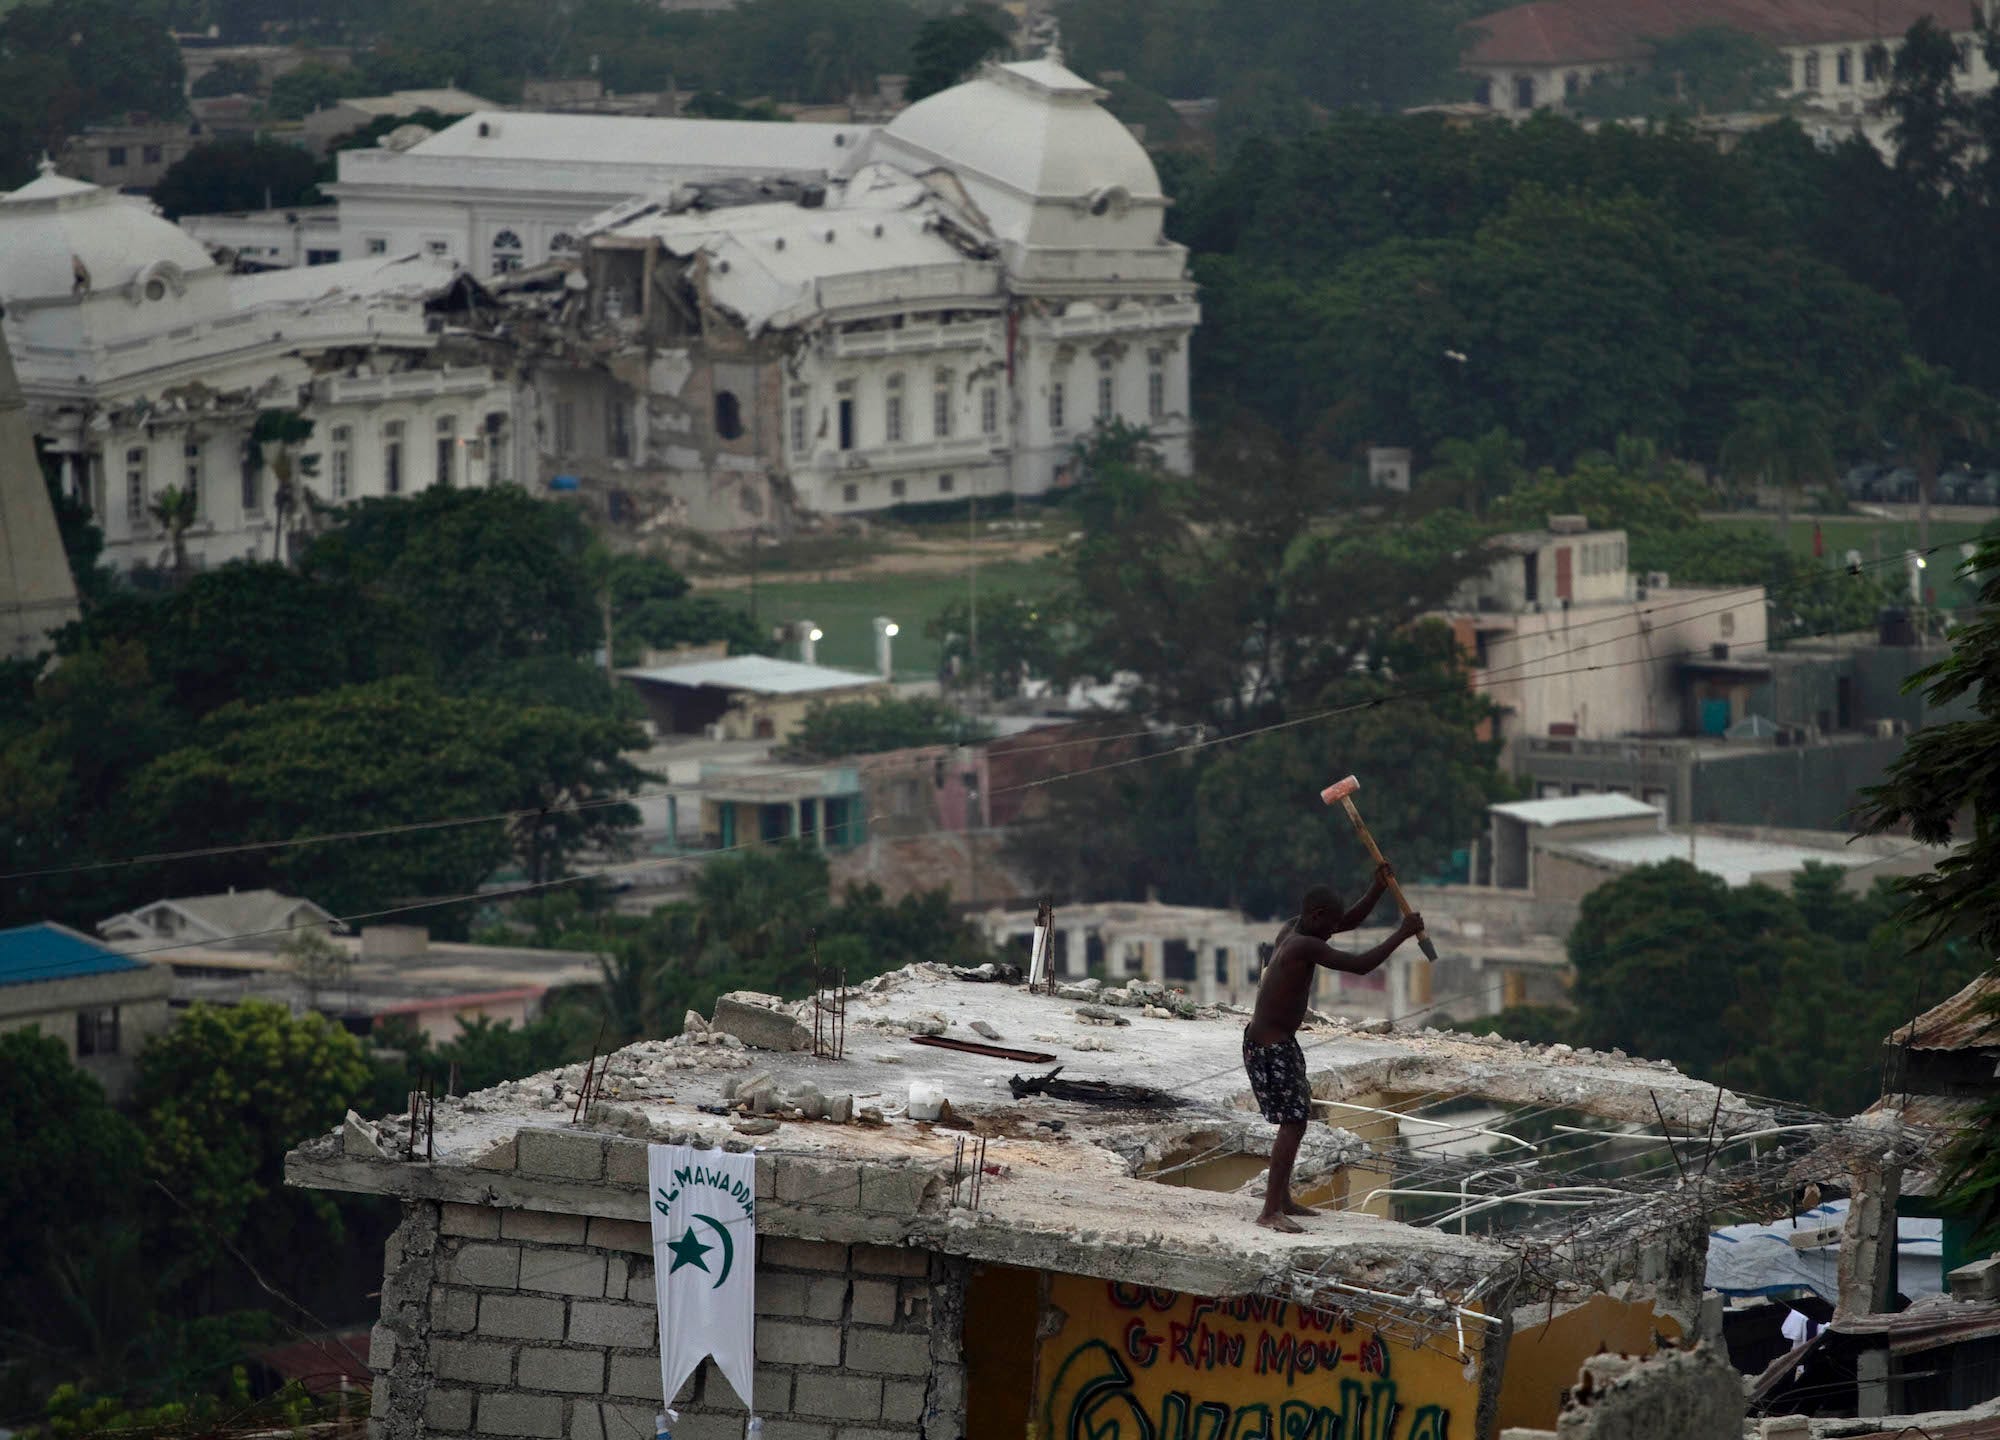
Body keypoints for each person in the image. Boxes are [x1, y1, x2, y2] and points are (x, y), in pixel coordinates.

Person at [1243, 865, 1426, 1232]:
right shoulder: (1303, 945)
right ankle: (1269, 1211)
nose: (1332, 933)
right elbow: (1360, 965)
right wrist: (1402, 934)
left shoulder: (1297, 927)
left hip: (1275, 1042)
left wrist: (1376, 888)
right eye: (1329, 926)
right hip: (1270, 1047)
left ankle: (1281, 1200)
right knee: (1293, 1123)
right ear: (1317, 917)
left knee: (1297, 1119)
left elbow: (1350, 921)